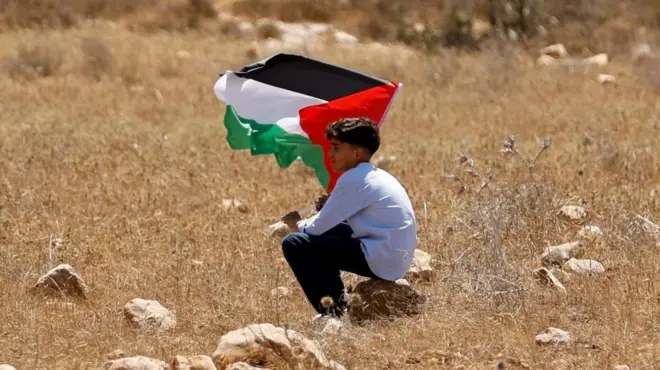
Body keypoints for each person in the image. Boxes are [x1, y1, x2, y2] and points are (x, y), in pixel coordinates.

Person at [279, 117, 417, 318]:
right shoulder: (376, 175)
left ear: (356, 153)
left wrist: (296, 224)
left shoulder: (352, 179)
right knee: (328, 233)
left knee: (295, 243)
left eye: (336, 147)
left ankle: (333, 311)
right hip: (394, 257)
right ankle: (337, 302)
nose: (330, 153)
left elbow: (315, 229)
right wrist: (329, 209)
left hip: (382, 258)